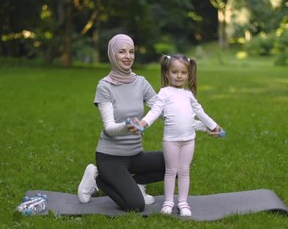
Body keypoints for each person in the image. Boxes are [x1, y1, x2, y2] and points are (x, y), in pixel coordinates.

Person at [77, 34, 219, 213]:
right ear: (112, 55)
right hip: (110, 157)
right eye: (122, 52)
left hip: (135, 155)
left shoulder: (141, 83)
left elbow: (168, 115)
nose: (128, 56)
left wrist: (205, 127)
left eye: (131, 51)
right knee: (135, 205)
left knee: (177, 165)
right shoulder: (104, 86)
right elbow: (110, 129)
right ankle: (98, 177)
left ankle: (132, 183)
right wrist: (126, 126)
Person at [137, 54, 223, 217]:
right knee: (170, 171)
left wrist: (213, 126)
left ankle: (183, 202)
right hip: (171, 141)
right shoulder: (164, 93)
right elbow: (155, 111)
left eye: (183, 72)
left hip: (189, 140)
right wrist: (143, 123)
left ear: (188, 74)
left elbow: (200, 112)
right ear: (167, 74)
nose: (179, 76)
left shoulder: (188, 95)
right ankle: (168, 202)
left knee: (184, 171)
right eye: (175, 72)